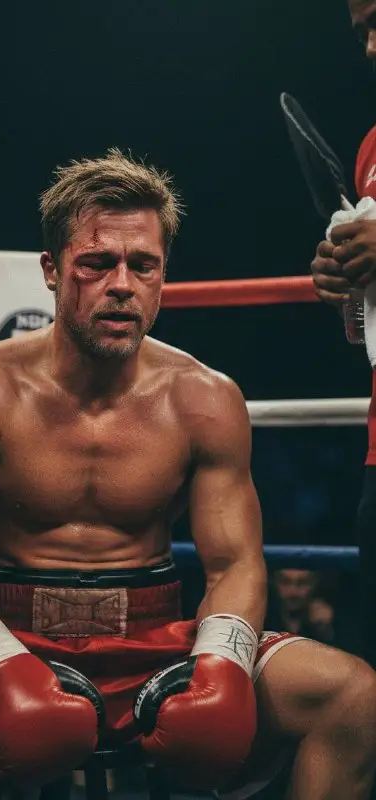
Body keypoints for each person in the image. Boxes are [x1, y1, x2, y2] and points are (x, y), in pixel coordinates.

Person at [0, 148, 376, 800]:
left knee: (352, 695)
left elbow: (235, 563)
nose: (121, 283)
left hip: (159, 640)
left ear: (162, 275)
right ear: (51, 270)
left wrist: (223, 664)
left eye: (142, 265)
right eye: (96, 263)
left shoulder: (205, 398)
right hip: (8, 631)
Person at [310, 0, 376, 672]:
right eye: (361, 33)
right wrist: (343, 281)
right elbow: (363, 331)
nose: (369, 48)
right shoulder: (370, 149)